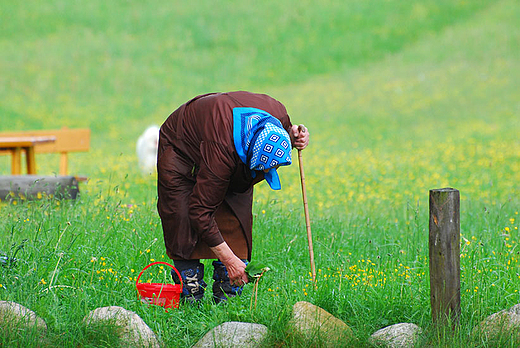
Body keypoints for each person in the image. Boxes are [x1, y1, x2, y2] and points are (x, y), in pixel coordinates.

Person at [157, 91, 309, 303]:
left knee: (236, 215)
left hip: (222, 141)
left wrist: (295, 136)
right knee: (182, 215)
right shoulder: (221, 153)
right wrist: (230, 260)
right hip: (182, 147)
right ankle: (190, 298)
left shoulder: (278, 114)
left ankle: (227, 299)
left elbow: (285, 132)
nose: (266, 175)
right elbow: (200, 212)